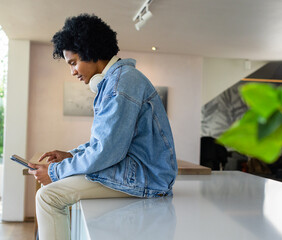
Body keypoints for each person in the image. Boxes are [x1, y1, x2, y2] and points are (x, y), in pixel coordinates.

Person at [28, 13, 177, 240]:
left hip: (146, 179)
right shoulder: (118, 81)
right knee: (53, 189)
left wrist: (55, 172)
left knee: (47, 197)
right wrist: (71, 155)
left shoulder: (120, 84)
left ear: (92, 52)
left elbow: (106, 151)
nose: (73, 71)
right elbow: (106, 141)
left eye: (74, 62)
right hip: (139, 172)